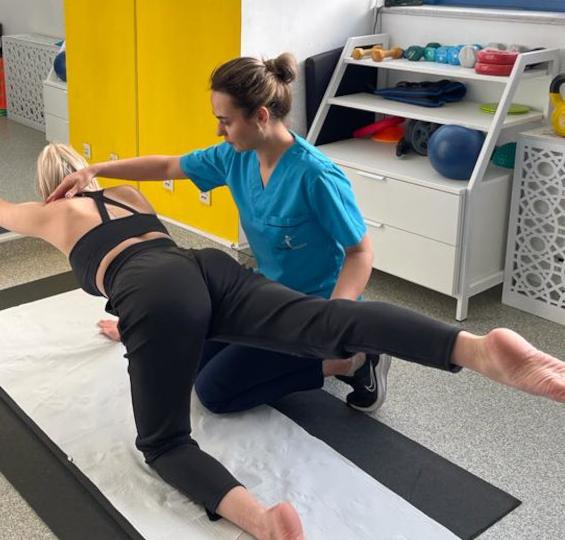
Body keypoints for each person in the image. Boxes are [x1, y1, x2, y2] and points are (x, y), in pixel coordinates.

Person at [0, 143, 565, 540]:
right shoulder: (125, 194)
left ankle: (266, 525)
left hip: (156, 297)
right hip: (207, 269)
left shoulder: (52, 213)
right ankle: (476, 349)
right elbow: (152, 258)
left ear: (50, 185)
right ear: (84, 168)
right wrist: (133, 322)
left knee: (164, 442)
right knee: (326, 320)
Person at [45, 53, 387, 416]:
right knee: (191, 364)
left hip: (312, 307)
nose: (219, 132)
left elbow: (360, 253)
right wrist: (95, 169)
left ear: (261, 117)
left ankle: (350, 360)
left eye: (225, 121)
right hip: (264, 293)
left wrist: (334, 318)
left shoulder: (316, 176)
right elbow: (168, 165)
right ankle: (296, 356)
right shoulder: (235, 156)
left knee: (214, 393)